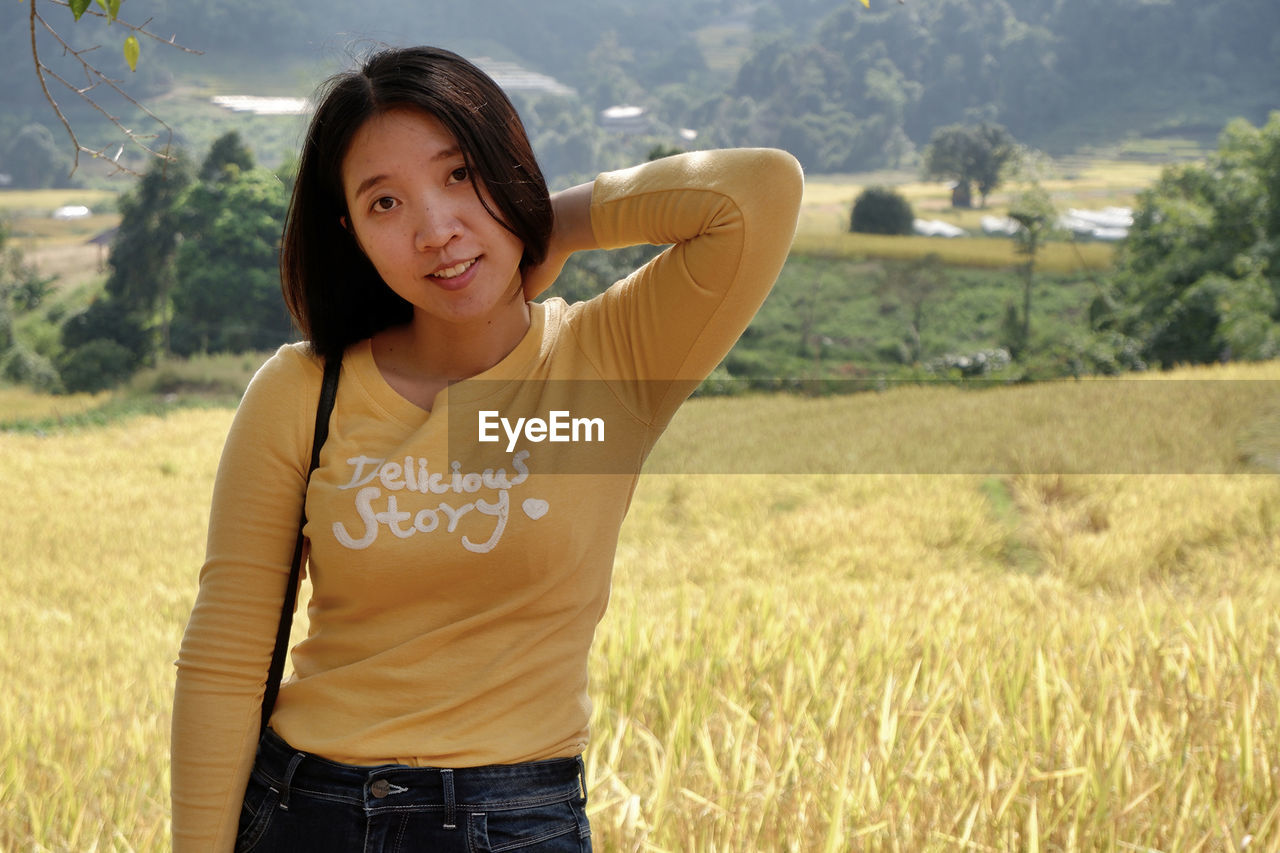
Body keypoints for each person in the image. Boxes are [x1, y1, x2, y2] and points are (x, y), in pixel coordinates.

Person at [171, 45, 802, 852]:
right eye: (386, 203)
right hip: (304, 810)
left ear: (509, 166)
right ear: (353, 233)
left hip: (514, 822)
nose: (436, 229)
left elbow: (758, 191)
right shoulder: (302, 389)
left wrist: (551, 225)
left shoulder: (608, 365)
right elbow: (226, 655)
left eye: (461, 174)